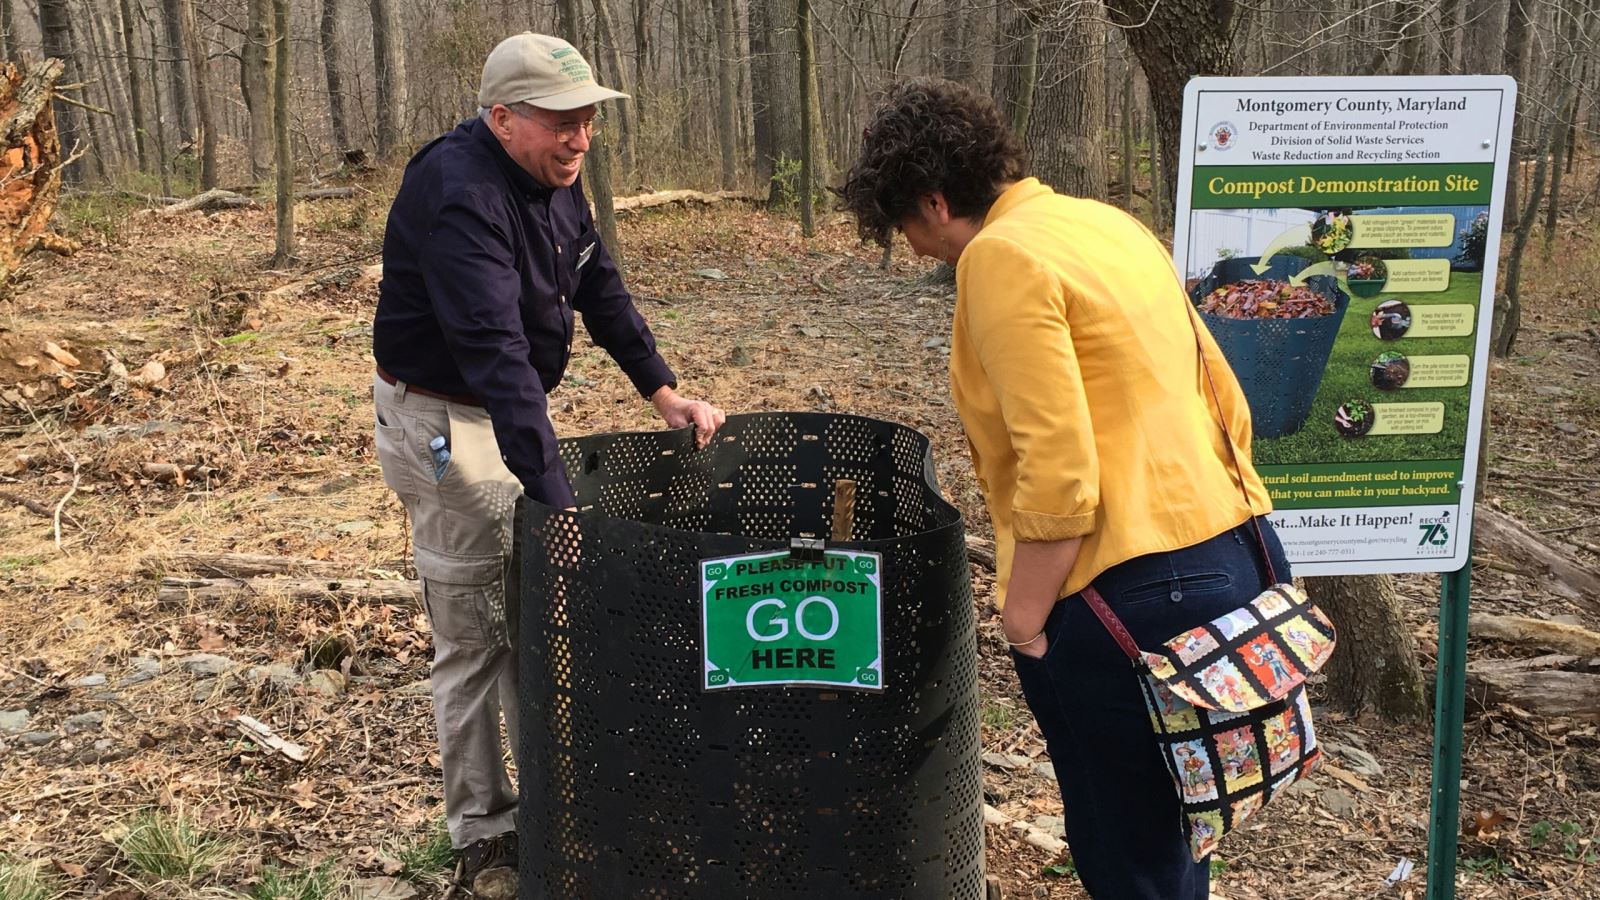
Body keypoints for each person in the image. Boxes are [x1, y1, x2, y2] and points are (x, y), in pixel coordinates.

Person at [838, 80, 1288, 900]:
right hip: (1230, 553)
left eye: (903, 225)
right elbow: (1223, 392)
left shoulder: (1002, 258)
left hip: (1128, 588)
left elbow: (1059, 469)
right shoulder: (1107, 225)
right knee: (1184, 827)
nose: (911, 247)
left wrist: (1023, 618)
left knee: (1127, 855)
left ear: (935, 203)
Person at [370, 32, 724, 891]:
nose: (580, 139)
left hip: (506, 411)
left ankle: (559, 801)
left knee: (530, 613)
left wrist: (661, 388)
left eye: (589, 122)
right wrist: (558, 499)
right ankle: (484, 834)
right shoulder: (460, 195)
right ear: (502, 118)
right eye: (561, 122)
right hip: (448, 421)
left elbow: (598, 285)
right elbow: (496, 358)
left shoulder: (556, 185)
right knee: (473, 636)